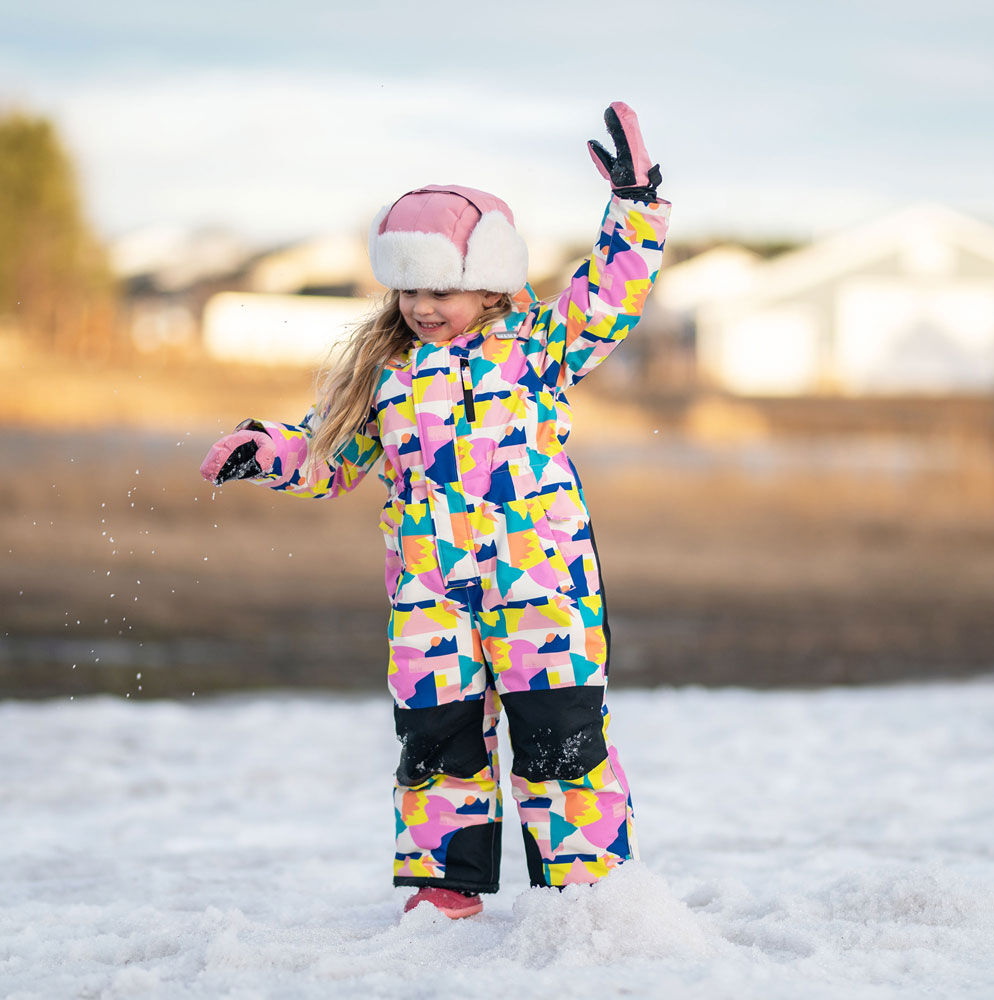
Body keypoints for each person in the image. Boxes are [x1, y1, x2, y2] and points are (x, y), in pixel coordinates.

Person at [200, 102, 670, 919]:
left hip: (541, 587)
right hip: (429, 593)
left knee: (560, 737)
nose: (423, 304)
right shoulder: (389, 377)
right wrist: (269, 455)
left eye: (442, 288)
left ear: (489, 283)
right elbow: (333, 456)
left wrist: (634, 202)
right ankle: (445, 888)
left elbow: (611, 293)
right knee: (436, 740)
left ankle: (591, 898)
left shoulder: (537, 350)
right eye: (409, 287)